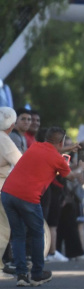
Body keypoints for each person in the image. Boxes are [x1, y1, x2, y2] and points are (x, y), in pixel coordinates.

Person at [2, 127, 84, 286]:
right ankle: (37, 273)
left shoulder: (35, 146)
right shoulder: (57, 159)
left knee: (18, 234)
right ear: (61, 141)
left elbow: (50, 149)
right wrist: (82, 167)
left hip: (7, 193)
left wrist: (67, 148)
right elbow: (70, 176)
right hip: (28, 197)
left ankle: (21, 275)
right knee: (37, 233)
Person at [0, 107, 22, 270]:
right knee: (3, 228)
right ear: (12, 124)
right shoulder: (4, 139)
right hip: (2, 188)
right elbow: (21, 163)